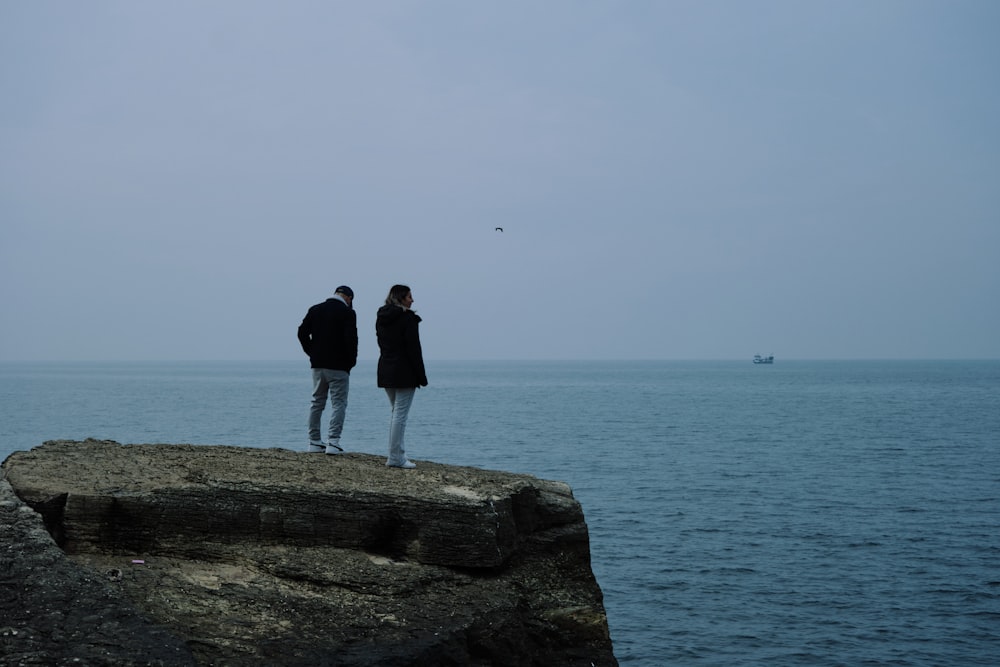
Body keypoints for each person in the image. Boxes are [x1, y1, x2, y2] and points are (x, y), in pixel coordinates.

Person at [297, 285, 358, 454]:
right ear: (348, 298)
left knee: (317, 402)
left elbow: (302, 332)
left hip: (318, 364)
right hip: (338, 366)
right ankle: (333, 441)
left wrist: (312, 352)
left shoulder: (315, 309)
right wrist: (350, 362)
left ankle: (314, 441)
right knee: (339, 403)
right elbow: (351, 340)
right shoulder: (347, 313)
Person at [375, 284, 428, 469]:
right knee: (400, 416)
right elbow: (414, 349)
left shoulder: (381, 318)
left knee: (396, 413)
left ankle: (397, 453)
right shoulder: (408, 319)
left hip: (386, 369)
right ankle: (396, 457)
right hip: (404, 371)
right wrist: (421, 376)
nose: (412, 300)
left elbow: (382, 344)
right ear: (400, 298)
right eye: (409, 297)